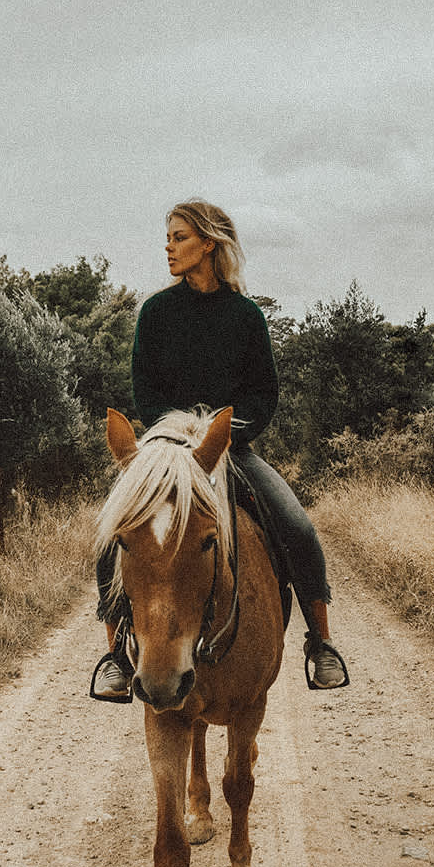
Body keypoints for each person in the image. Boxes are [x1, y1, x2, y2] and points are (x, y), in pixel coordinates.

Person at [93, 199, 347, 699]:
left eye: (180, 237)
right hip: (168, 453)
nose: (169, 246)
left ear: (209, 243)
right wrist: (179, 434)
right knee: (113, 535)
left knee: (296, 525)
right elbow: (146, 392)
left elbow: (263, 392)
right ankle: (116, 655)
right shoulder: (157, 312)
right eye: (168, 237)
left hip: (231, 448)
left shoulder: (246, 316)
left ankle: (321, 642)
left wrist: (224, 436)